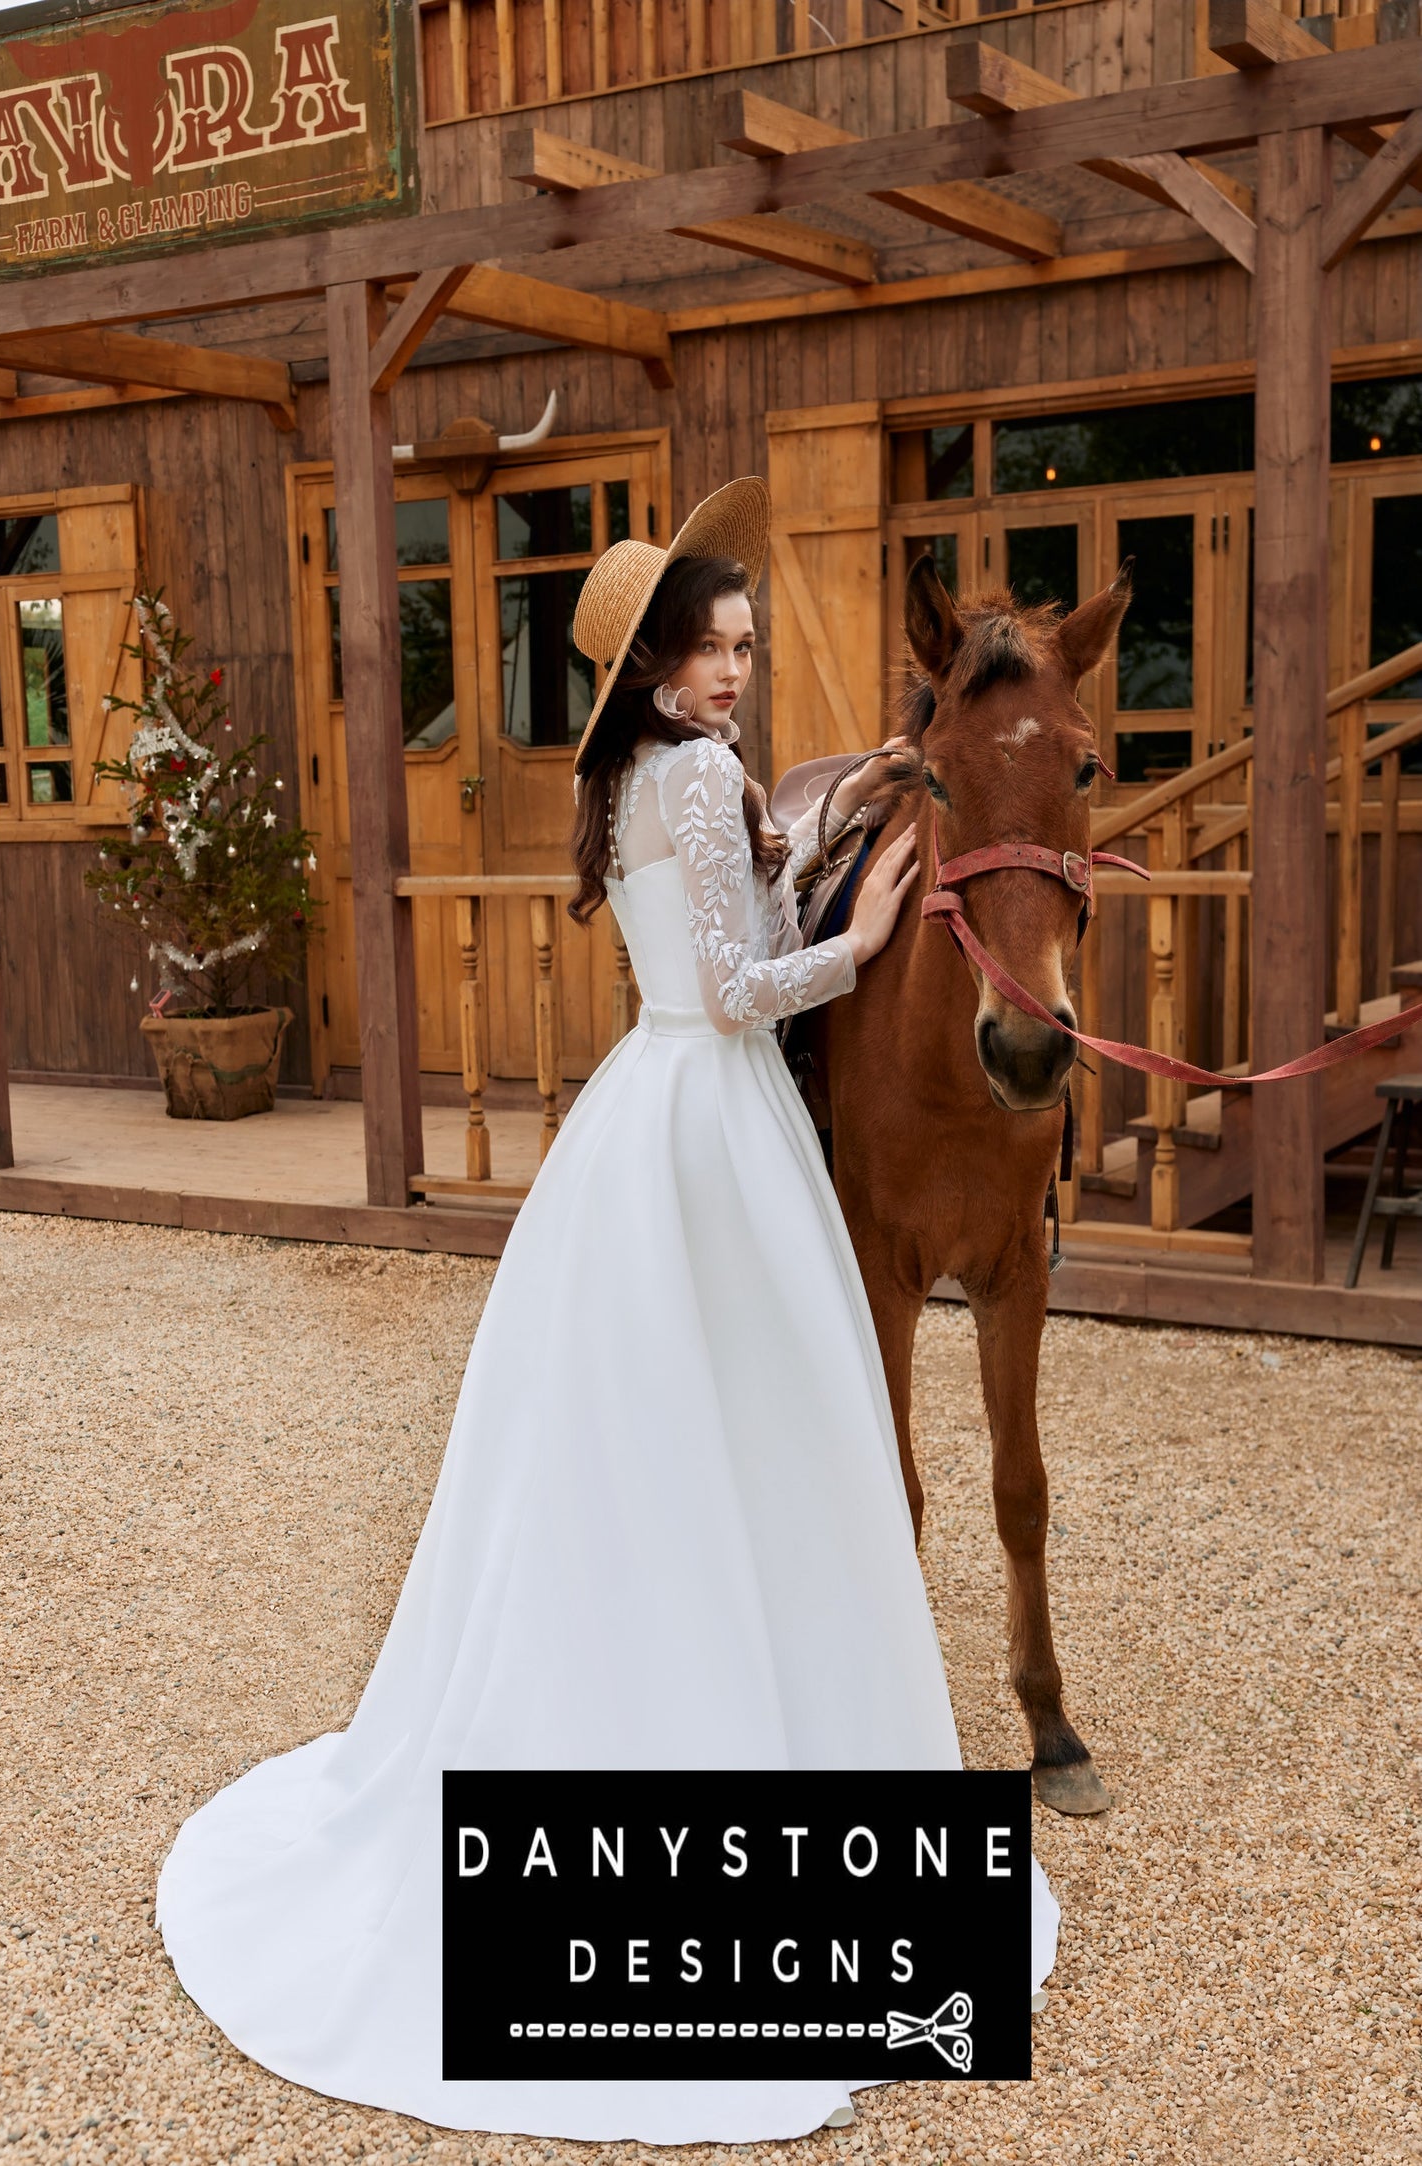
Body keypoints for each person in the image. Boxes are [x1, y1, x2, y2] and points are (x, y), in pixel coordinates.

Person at [154, 476, 1060, 2145]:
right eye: (710, 651)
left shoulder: (643, 780)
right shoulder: (698, 772)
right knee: (773, 1426)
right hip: (712, 1120)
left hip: (637, 1120)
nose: (732, 670)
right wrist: (859, 934)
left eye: (737, 645)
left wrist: (836, 804)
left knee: (633, 1444)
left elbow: (699, 928)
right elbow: (737, 988)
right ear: (650, 671)